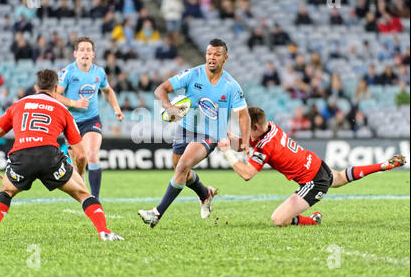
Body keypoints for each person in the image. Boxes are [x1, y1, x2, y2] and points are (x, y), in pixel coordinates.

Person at [0, 69, 123, 242]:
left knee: (6, 192)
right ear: (56, 88)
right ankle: (104, 232)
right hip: (49, 157)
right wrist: (80, 174)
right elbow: (81, 155)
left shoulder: (18, 105)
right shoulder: (63, 110)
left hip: (22, 156)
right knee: (83, 194)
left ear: (36, 87)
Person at [218, 106, 406, 227]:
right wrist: (228, 138)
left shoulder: (265, 147)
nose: (243, 132)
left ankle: (313, 220)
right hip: (315, 163)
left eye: (246, 128)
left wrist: (227, 152)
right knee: (340, 178)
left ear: (256, 128)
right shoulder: (271, 127)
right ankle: (382, 165)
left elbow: (247, 174)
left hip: (313, 181)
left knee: (278, 219)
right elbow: (244, 143)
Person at [138, 38, 251, 228]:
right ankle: (205, 194)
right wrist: (169, 107)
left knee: (183, 166)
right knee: (181, 171)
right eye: (209, 54)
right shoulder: (193, 74)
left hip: (210, 134)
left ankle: (156, 213)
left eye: (217, 54)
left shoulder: (231, 86)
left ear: (225, 58)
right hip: (185, 130)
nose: (212, 58)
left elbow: (244, 115)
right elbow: (161, 90)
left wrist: (245, 142)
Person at [56, 37, 124, 200]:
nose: (85, 53)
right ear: (75, 53)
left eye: (88, 50)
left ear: (93, 54)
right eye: (82, 49)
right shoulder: (67, 72)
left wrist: (116, 108)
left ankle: (94, 199)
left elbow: (107, 91)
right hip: (71, 122)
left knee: (91, 155)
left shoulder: (99, 72)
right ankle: (81, 180)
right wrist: (74, 103)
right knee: (79, 159)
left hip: (91, 119)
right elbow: (55, 95)